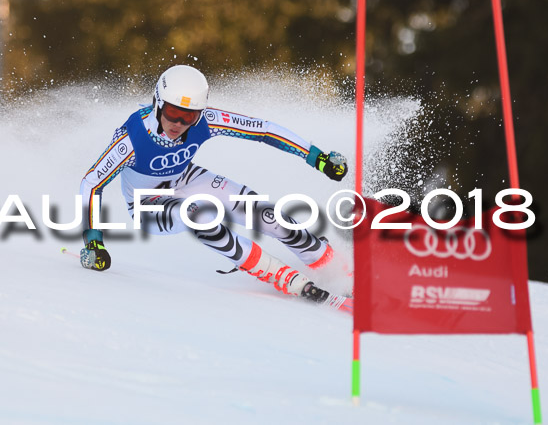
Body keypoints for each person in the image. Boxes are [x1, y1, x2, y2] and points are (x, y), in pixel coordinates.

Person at [79, 65, 348, 305]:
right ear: (158, 103)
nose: (179, 123)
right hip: (147, 204)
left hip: (185, 178)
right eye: (172, 112)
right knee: (200, 215)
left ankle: (333, 266)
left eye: (189, 116)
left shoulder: (206, 121)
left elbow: (262, 130)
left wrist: (317, 157)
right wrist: (93, 241)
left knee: (264, 214)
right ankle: (278, 274)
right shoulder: (130, 140)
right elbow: (92, 183)